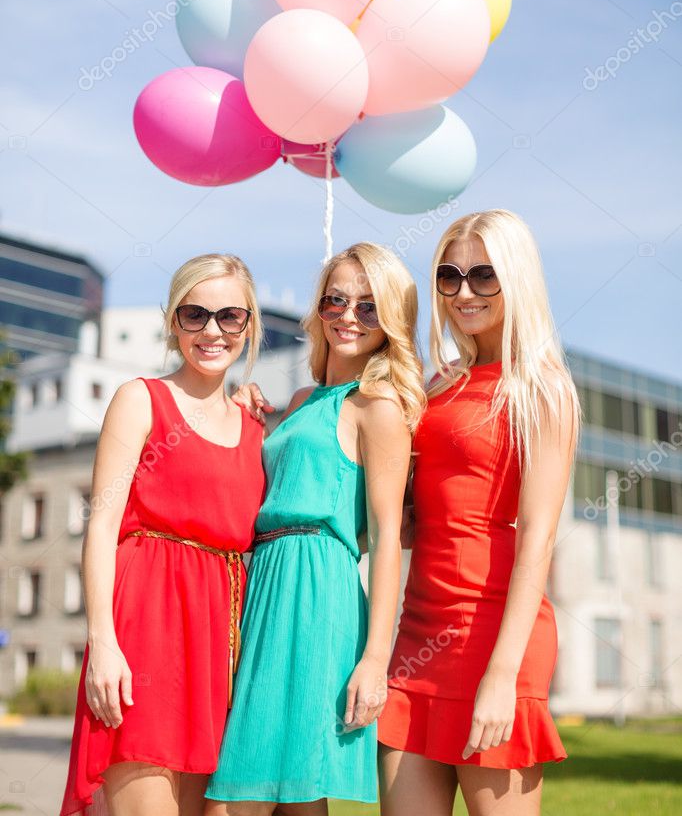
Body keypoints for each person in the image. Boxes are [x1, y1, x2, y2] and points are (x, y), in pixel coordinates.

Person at [204, 243, 426, 815]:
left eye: (370, 306)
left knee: (252, 791)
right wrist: (245, 409)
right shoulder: (302, 399)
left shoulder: (378, 407)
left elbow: (383, 540)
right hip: (263, 585)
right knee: (288, 795)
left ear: (392, 320)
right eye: (337, 299)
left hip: (318, 591)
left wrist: (375, 658)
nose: (349, 315)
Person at [378, 209, 580, 816]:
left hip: (496, 637)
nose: (464, 292)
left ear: (515, 278)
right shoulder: (438, 384)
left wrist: (501, 675)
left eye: (484, 275)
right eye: (449, 275)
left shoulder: (542, 388)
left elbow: (538, 540)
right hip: (417, 633)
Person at [59, 254, 267, 816]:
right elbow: (101, 526)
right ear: (173, 321)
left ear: (249, 326)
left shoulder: (257, 429)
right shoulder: (140, 399)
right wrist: (102, 641)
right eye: (195, 314)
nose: (212, 331)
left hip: (221, 645)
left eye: (230, 316)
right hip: (146, 629)